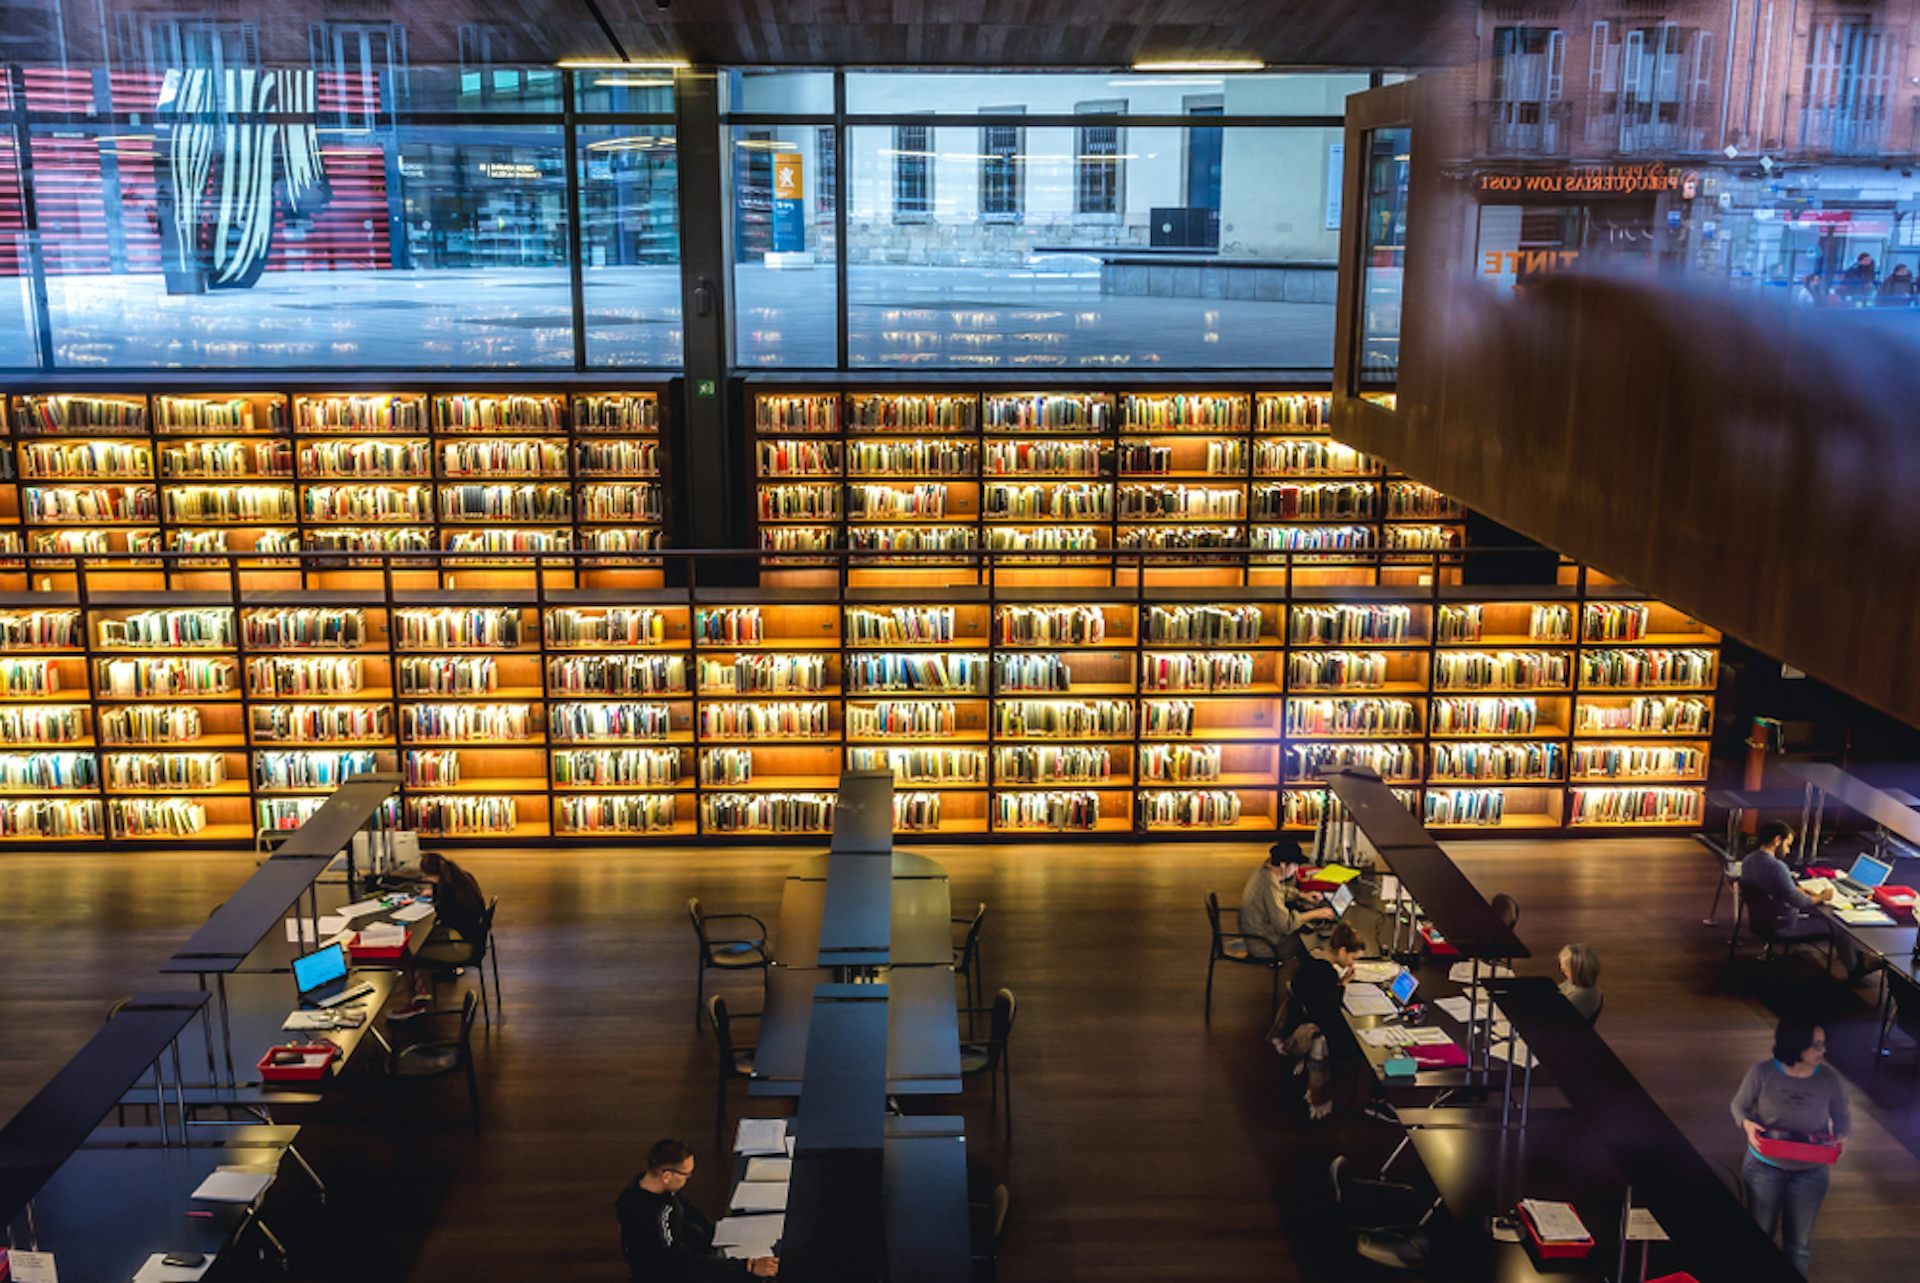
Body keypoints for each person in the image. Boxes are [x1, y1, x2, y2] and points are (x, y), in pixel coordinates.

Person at [1730, 1020, 1851, 1276]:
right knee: (1759, 1234)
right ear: (1796, 1046)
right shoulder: (1762, 1073)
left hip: (1811, 1172)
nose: (1823, 1051)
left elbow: (1842, 1117)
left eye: (1823, 1044)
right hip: (1764, 1167)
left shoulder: (1829, 1080)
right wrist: (1748, 1126)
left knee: (1799, 1244)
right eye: (1816, 1045)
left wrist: (1841, 1136)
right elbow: (1739, 1106)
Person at [617, 1139, 779, 1280]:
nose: (688, 1179)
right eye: (686, 1175)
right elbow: (682, 1261)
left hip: (693, 1250)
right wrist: (748, 1266)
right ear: (666, 1176)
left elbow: (689, 1210)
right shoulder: (654, 1217)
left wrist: (717, 1231)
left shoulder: (647, 1184)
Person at [1738, 821, 1865, 979]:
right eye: (1787, 845)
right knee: (1838, 927)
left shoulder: (1749, 860)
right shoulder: (1777, 867)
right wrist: (1822, 896)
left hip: (1762, 922)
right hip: (1784, 925)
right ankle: (1855, 970)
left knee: (1821, 914)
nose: (1787, 850)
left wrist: (1797, 890)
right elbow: (1801, 903)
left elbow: (1771, 889)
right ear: (1777, 840)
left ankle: (1856, 957)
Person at [1274, 920, 1366, 1121]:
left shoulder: (1314, 957)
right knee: (1359, 1042)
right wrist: (1342, 987)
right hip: (1311, 1025)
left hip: (1296, 1018)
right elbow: (1327, 1011)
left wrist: (1341, 983)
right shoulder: (1325, 973)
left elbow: (1320, 995)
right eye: (1352, 957)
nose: (1352, 963)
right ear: (1342, 950)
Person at [392, 850, 489, 1017]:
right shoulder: (461, 878)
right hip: (472, 936)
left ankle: (413, 1000)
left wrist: (433, 901)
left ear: (429, 875)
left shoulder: (448, 892)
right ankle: (421, 987)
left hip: (463, 946)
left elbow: (442, 916)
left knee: (409, 952)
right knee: (421, 940)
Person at [1238, 839, 1336, 963]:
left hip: (1257, 933)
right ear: (1283, 865)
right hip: (1264, 945)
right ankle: (1309, 978)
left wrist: (1301, 895)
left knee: (1306, 929)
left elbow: (1281, 890)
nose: (1296, 870)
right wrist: (1316, 914)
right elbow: (1286, 925)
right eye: (1294, 865)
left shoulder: (1265, 872)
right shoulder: (1268, 885)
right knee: (1311, 943)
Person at [1557, 943, 1603, 1023]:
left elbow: (1558, 1020)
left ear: (1577, 972)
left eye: (1566, 970)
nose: (1562, 971)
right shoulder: (1575, 982)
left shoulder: (1582, 996)